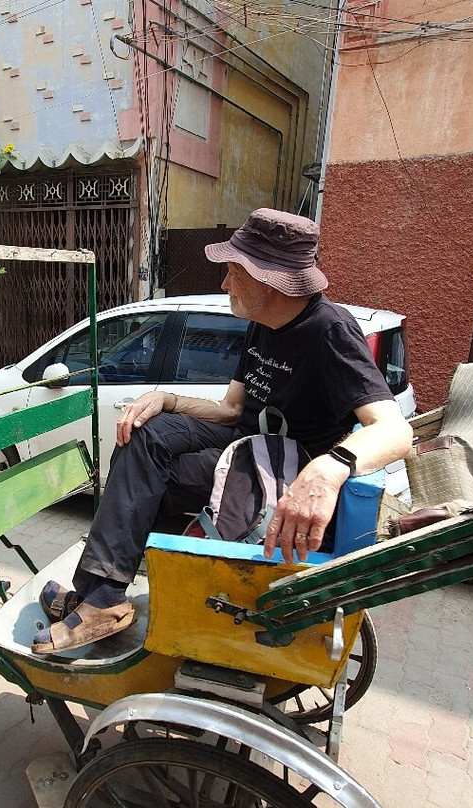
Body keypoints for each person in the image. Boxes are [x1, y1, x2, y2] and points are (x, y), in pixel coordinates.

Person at [32, 208, 414, 654]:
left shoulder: (330, 330)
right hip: (242, 446)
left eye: (233, 272)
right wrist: (166, 400)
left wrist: (329, 470)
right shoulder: (262, 325)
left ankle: (99, 597)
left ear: (268, 278)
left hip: (280, 469)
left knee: (137, 482)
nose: (224, 284)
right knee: (143, 434)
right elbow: (233, 410)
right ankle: (102, 596)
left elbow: (394, 430)